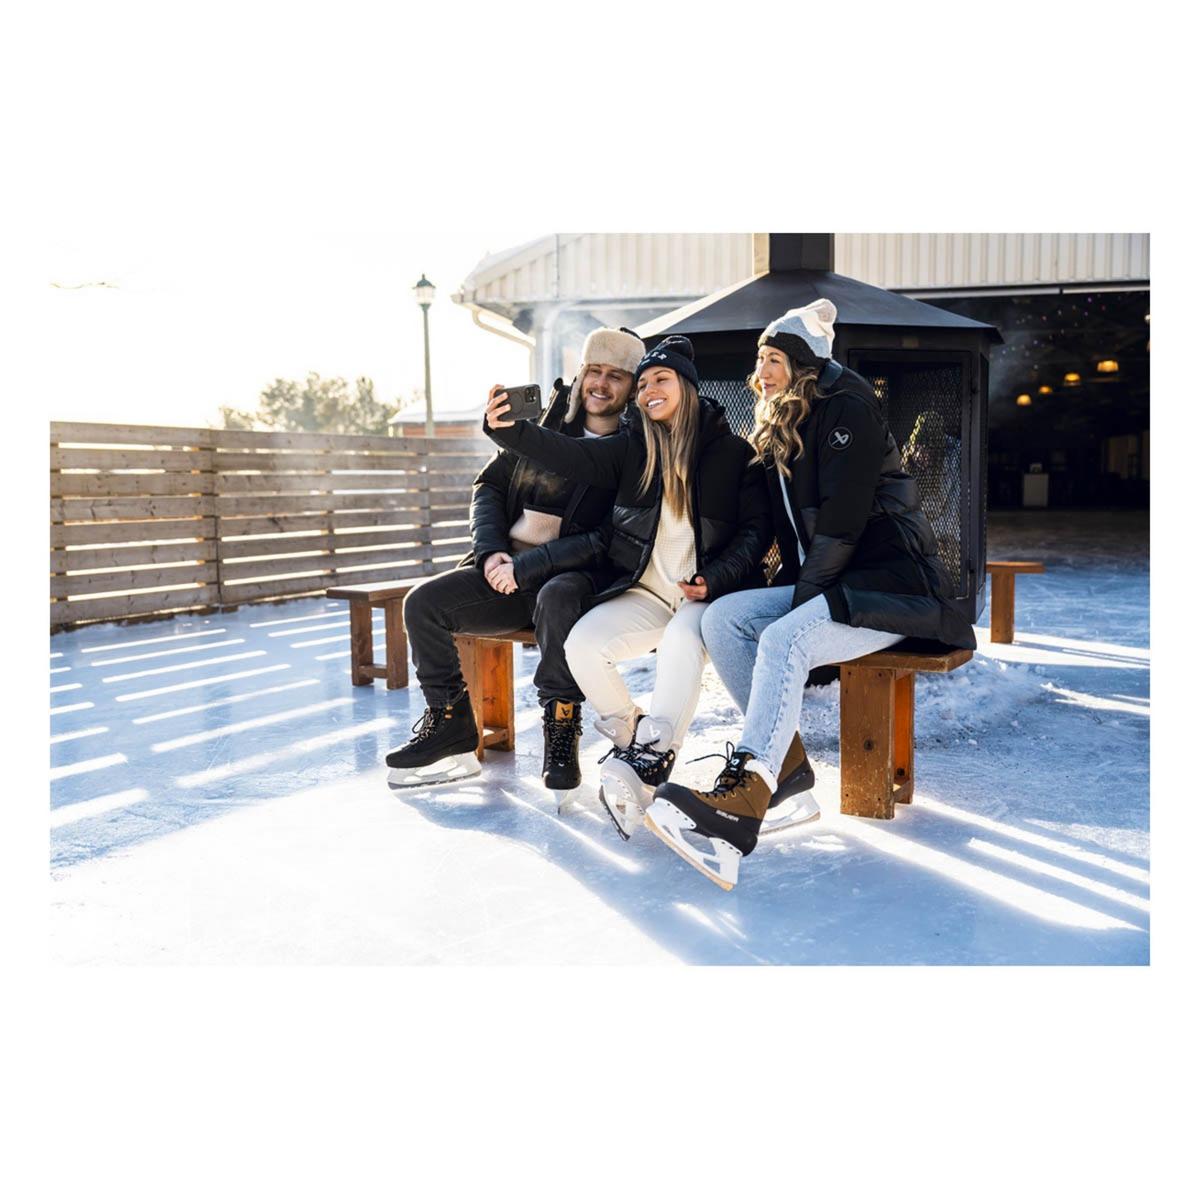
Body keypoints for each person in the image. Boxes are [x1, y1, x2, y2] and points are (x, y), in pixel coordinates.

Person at [644, 299, 977, 890]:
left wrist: (800, 609)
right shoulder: (781, 423)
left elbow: (842, 527)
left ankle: (742, 803)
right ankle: (788, 771)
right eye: (760, 360)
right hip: (834, 585)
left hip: (891, 587)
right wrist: (718, 577)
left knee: (785, 638)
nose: (762, 371)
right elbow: (767, 527)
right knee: (723, 620)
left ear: (804, 365)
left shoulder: (847, 407)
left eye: (774, 359)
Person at [484, 335, 773, 840]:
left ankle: (651, 760)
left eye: (660, 379)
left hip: (706, 596)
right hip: (647, 591)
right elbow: (571, 454)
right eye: (642, 384)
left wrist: (716, 578)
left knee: (681, 641)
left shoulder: (731, 453)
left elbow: (757, 531)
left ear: (686, 386)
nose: (648, 390)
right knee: (582, 644)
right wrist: (512, 431)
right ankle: (635, 737)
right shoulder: (633, 448)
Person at [384, 326, 645, 793]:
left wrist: (527, 567)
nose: (601, 384)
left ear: (631, 387)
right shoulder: (547, 425)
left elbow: (609, 538)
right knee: (422, 603)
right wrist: (491, 553)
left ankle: (561, 727)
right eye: (594, 371)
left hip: (575, 580)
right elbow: (489, 485)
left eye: (616, 376)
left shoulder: (633, 448)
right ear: (581, 373)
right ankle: (450, 722)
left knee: (557, 595)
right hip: (507, 574)